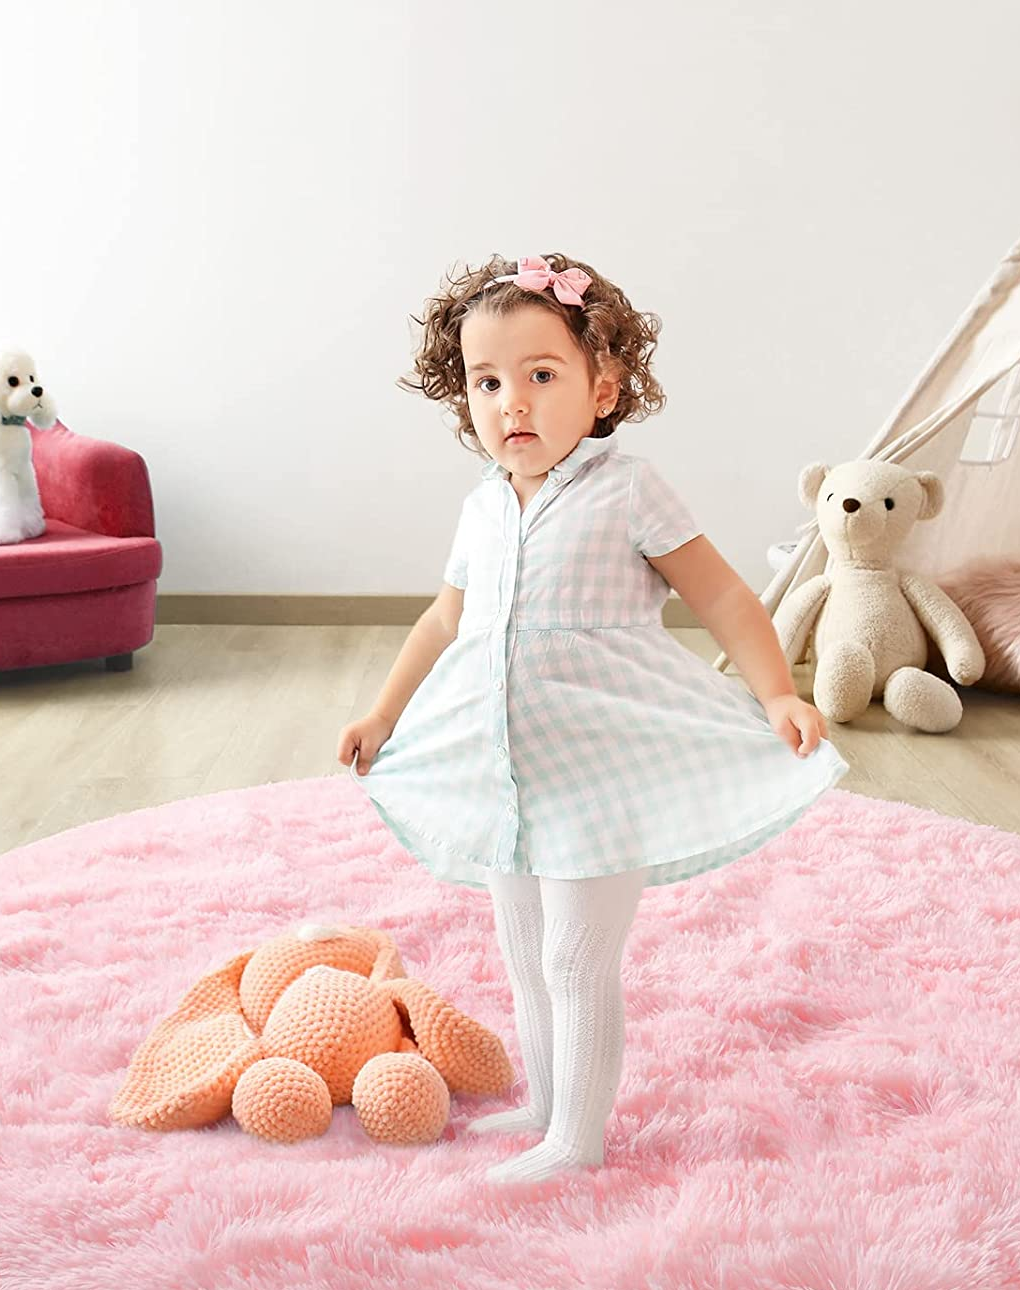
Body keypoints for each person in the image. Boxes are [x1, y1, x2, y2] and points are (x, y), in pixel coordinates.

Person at [336, 252, 849, 1183]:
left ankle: (577, 1144)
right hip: (505, 774)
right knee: (524, 951)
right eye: (488, 382)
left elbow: (727, 597)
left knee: (576, 955)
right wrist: (383, 712)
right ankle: (545, 1105)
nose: (512, 403)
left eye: (541, 376)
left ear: (602, 388)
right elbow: (445, 619)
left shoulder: (627, 488)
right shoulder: (483, 506)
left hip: (604, 771)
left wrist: (776, 690)